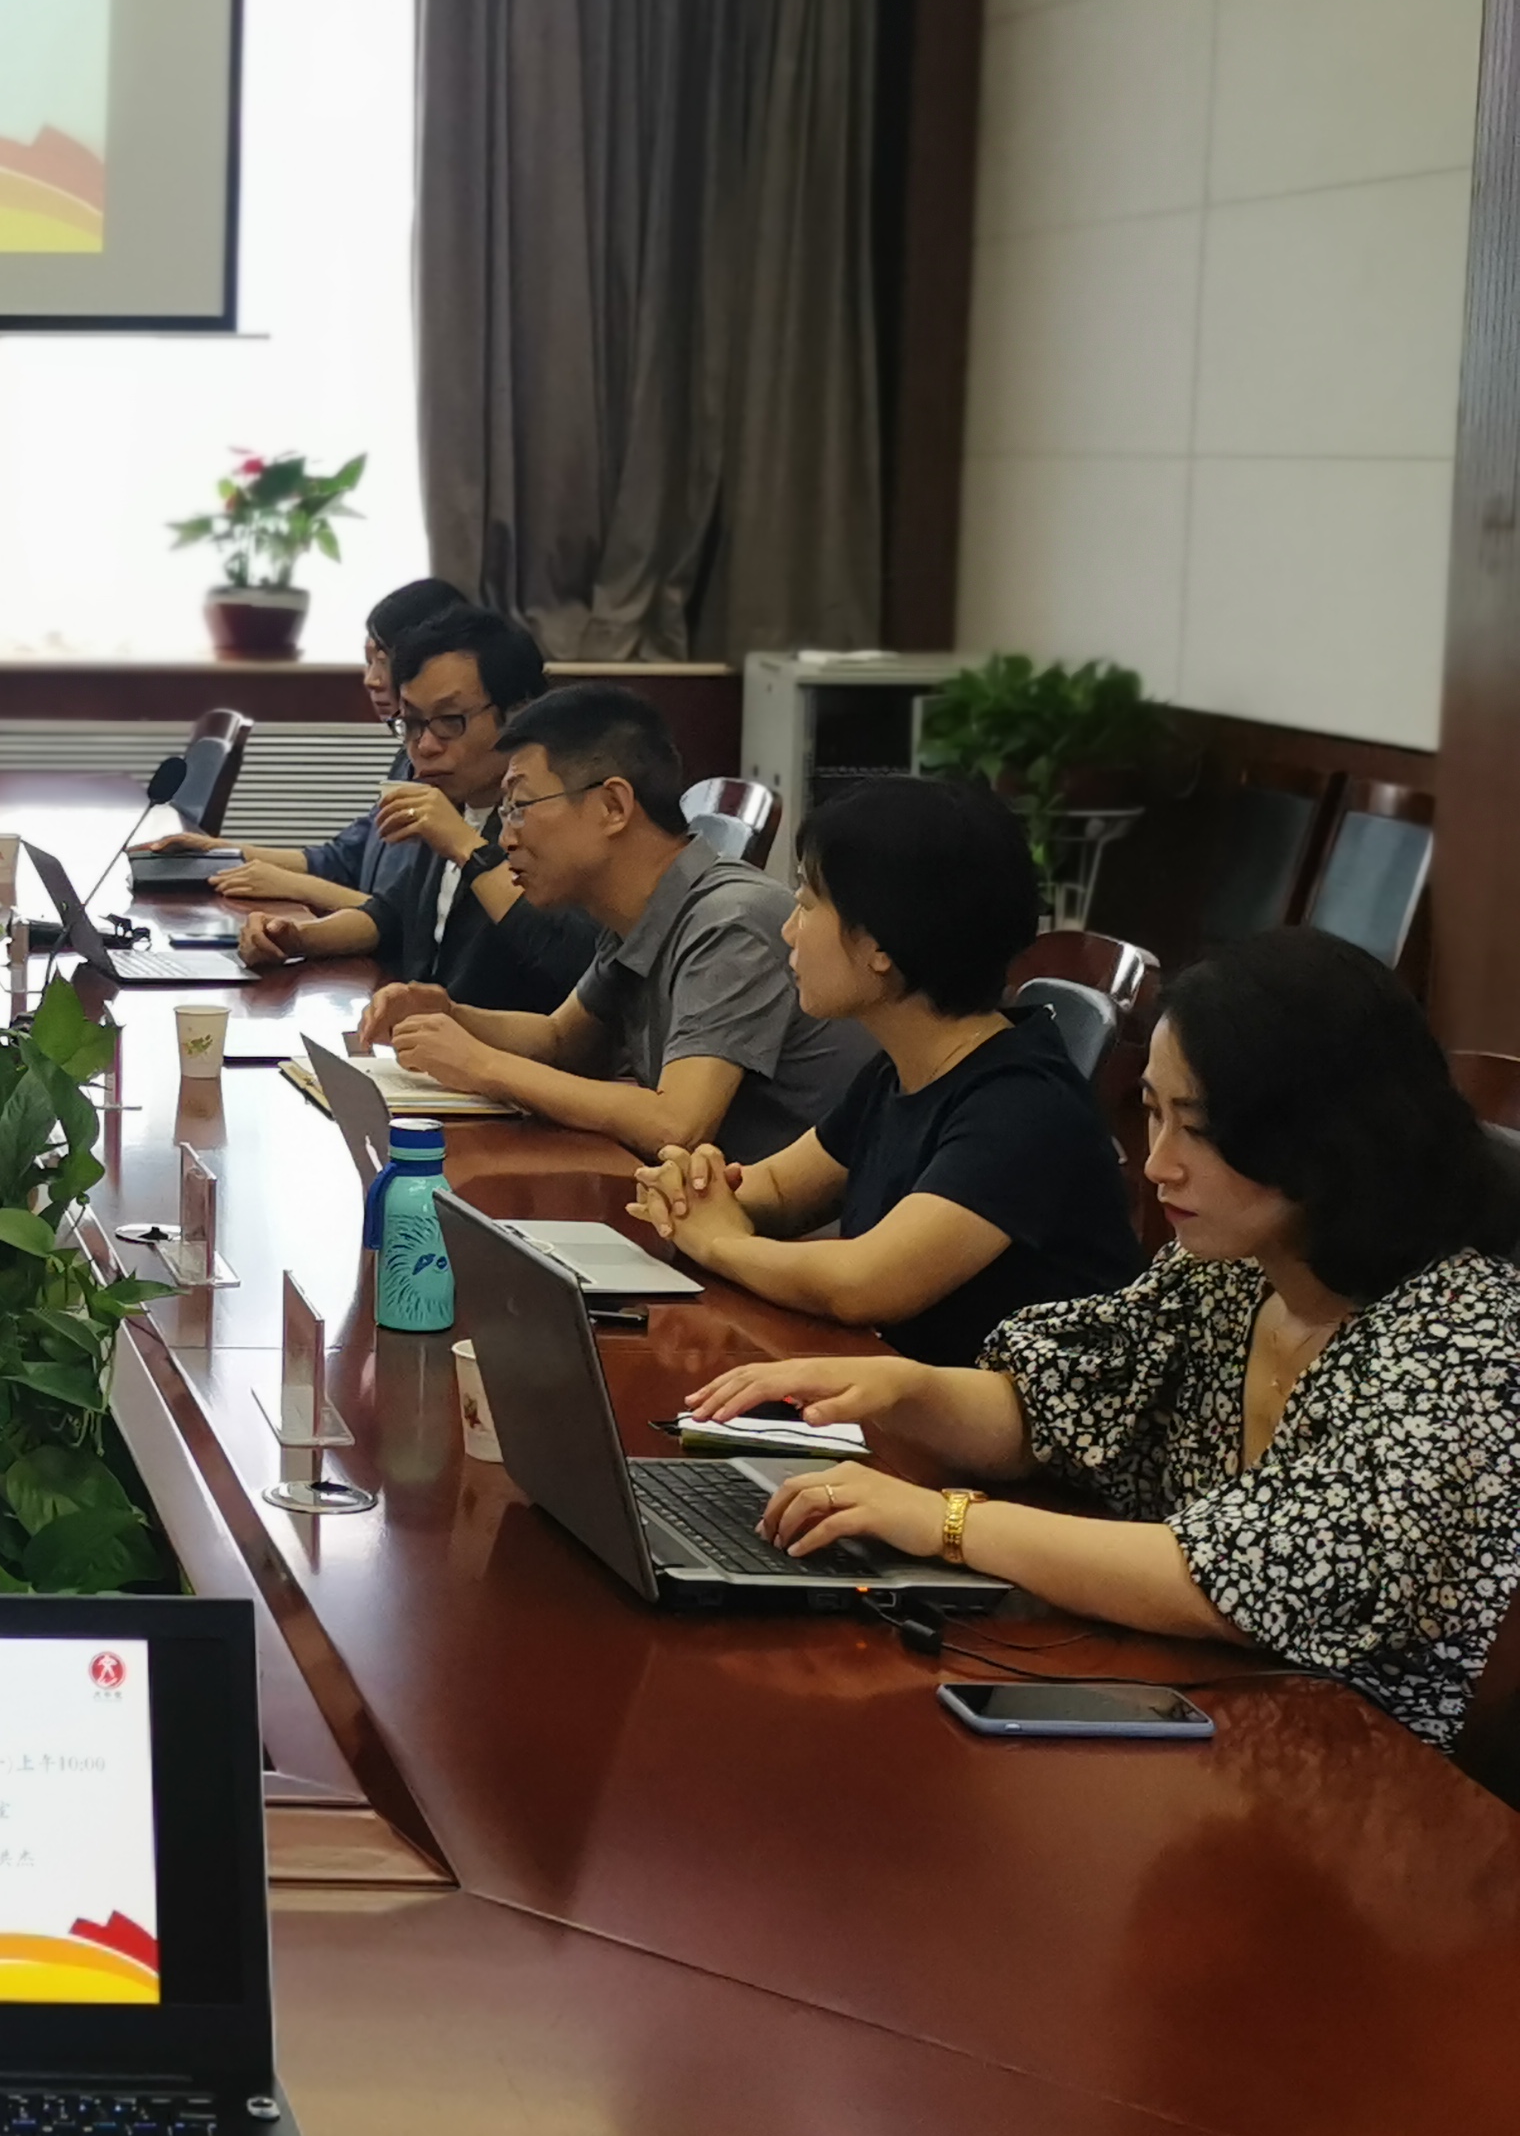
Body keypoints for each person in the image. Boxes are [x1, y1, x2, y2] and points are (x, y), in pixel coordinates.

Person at [686, 930, 1520, 1752]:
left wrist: (946, 1523)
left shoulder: (1462, 1340)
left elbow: (1244, 1583)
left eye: (1197, 1128)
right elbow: (1063, 1405)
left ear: (1327, 1139)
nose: (1158, 1165)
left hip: (1367, 1773)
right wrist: (905, 1390)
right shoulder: (1237, 1268)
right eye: (1151, 1113)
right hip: (1196, 1712)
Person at [627, 779, 1143, 1364]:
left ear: (879, 946)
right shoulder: (902, 1069)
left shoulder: (1023, 1106)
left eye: (807, 904)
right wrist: (692, 1187)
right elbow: (779, 1191)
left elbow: (863, 1284)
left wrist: (719, 1242)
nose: (789, 929)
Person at [359, 681, 867, 1163]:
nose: (506, 838)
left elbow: (677, 1123)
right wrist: (449, 1013)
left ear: (612, 806)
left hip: (798, 1220)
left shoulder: (730, 920)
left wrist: (482, 1066)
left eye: (520, 807)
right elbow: (561, 1040)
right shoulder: (638, 911)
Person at [233, 604, 597, 1015]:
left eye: (449, 720)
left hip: (497, 1047)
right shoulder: (452, 798)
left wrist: (467, 848)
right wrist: (295, 938)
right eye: (412, 723)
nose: (425, 746)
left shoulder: (556, 815)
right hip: (421, 1035)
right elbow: (393, 914)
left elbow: (573, 957)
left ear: (518, 714)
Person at [149, 573, 468, 913]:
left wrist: (291, 885)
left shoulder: (453, 777)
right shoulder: (407, 757)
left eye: (383, 661)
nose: (371, 680)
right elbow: (343, 858)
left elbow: (410, 924)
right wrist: (219, 851)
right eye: (368, 661)